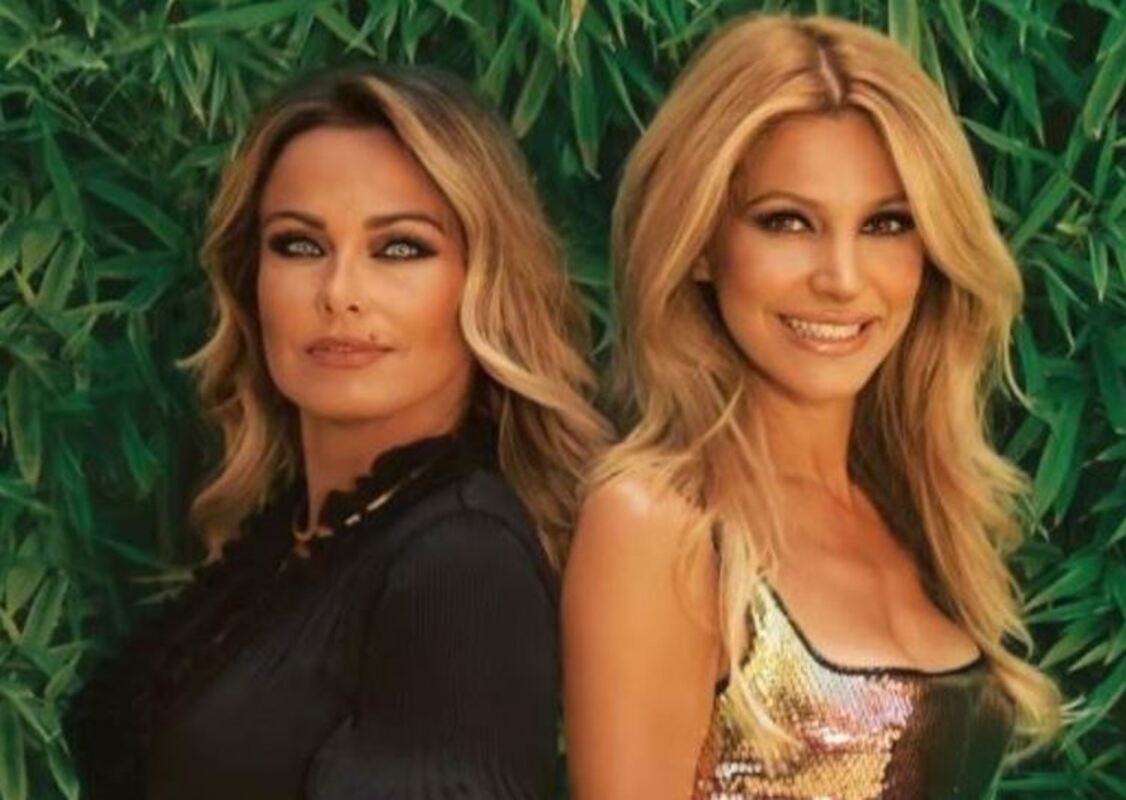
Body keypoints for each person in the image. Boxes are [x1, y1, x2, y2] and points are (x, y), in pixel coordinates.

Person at [67, 63, 608, 800]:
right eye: (298, 245)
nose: (339, 293)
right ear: (251, 279)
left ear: (483, 285)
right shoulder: (305, 535)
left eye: (400, 248)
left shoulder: (460, 563)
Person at [562, 13, 1061, 799]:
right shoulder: (659, 525)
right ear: (701, 243)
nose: (841, 278)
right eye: (787, 222)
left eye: (887, 224)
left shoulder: (921, 512)